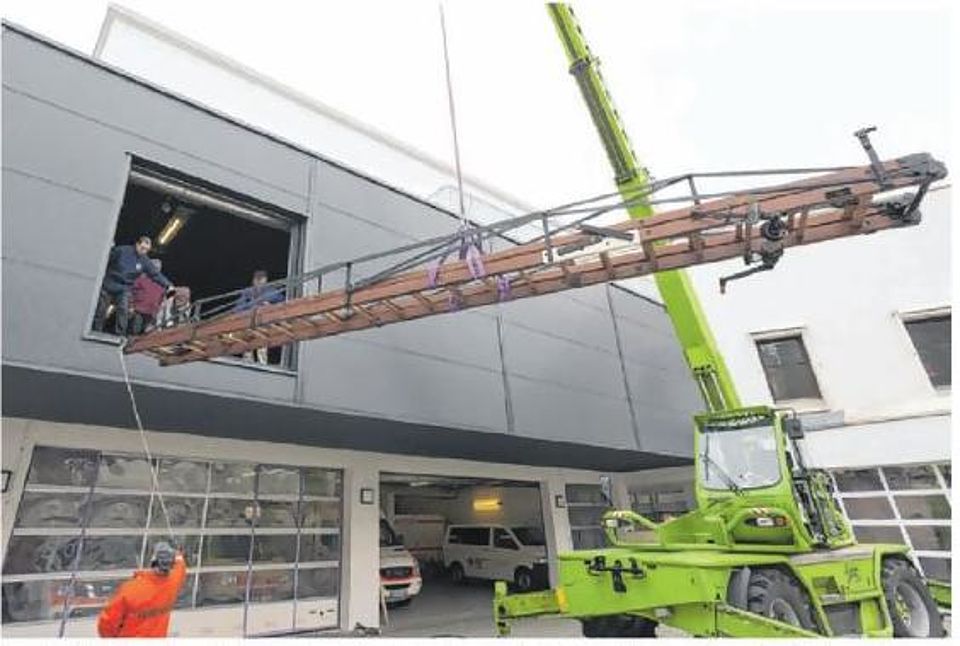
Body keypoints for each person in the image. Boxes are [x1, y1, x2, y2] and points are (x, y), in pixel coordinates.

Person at [97, 541, 186, 638]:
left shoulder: (131, 589)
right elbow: (180, 566)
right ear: (171, 562)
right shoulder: (174, 582)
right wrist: (178, 555)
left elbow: (106, 623)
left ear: (153, 560)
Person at [93, 236, 174, 336]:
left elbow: (155, 274)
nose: (144, 251)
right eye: (142, 248)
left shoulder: (145, 261)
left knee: (123, 309)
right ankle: (96, 330)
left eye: (147, 250)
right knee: (101, 309)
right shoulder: (121, 251)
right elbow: (106, 259)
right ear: (137, 244)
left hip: (124, 287)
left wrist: (168, 285)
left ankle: (119, 334)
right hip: (110, 282)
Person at [234, 270, 285, 364]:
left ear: (265, 280)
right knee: (248, 342)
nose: (259, 283)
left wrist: (269, 305)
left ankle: (262, 363)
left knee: (261, 343)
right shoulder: (248, 292)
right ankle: (248, 361)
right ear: (254, 280)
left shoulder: (271, 291)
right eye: (258, 280)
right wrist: (248, 309)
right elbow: (238, 308)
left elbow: (281, 301)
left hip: (263, 322)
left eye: (261, 280)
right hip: (249, 322)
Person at [130, 259, 167, 335]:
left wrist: (158, 310)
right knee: (135, 330)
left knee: (146, 332)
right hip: (139, 309)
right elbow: (132, 291)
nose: (155, 270)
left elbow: (163, 297)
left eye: (157, 268)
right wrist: (131, 305)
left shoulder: (161, 282)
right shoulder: (141, 279)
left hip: (152, 312)